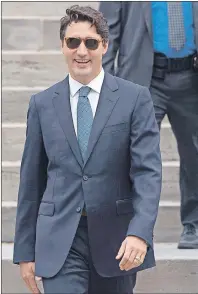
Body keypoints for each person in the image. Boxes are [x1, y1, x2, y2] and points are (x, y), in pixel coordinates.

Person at [13, 5, 162, 294]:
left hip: (117, 242)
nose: (82, 51)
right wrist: (25, 251)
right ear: (63, 46)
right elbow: (31, 182)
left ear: (104, 46)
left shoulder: (135, 99)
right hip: (59, 240)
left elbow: (148, 173)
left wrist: (140, 233)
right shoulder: (42, 104)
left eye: (91, 43)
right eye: (73, 42)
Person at [100, 1, 198, 249]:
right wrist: (105, 84)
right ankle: (133, 228)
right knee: (134, 153)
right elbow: (107, 32)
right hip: (145, 79)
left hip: (191, 79)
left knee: (194, 153)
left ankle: (194, 223)